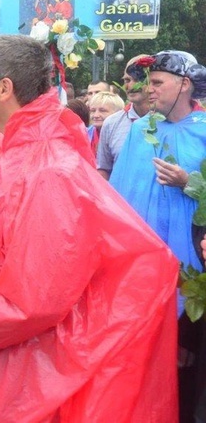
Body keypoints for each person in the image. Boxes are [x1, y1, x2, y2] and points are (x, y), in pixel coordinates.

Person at [0, 35, 179, 421]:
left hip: (27, 374)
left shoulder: (47, 168)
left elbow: (32, 303)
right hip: (11, 358)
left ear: (4, 88)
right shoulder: (27, 152)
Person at [108, 50, 206, 420]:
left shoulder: (204, 131)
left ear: (184, 85)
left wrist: (189, 182)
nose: (150, 90)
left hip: (190, 272)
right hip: (142, 273)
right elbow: (117, 197)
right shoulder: (139, 131)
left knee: (185, 365)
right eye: (148, 83)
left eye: (158, 82)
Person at [97, 55, 151, 179]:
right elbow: (103, 169)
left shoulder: (167, 120)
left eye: (137, 79)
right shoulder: (112, 123)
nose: (130, 86)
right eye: (127, 80)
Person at [87, 91, 124, 158]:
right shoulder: (84, 134)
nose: (96, 115)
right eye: (93, 111)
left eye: (102, 110)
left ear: (118, 113)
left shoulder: (125, 135)